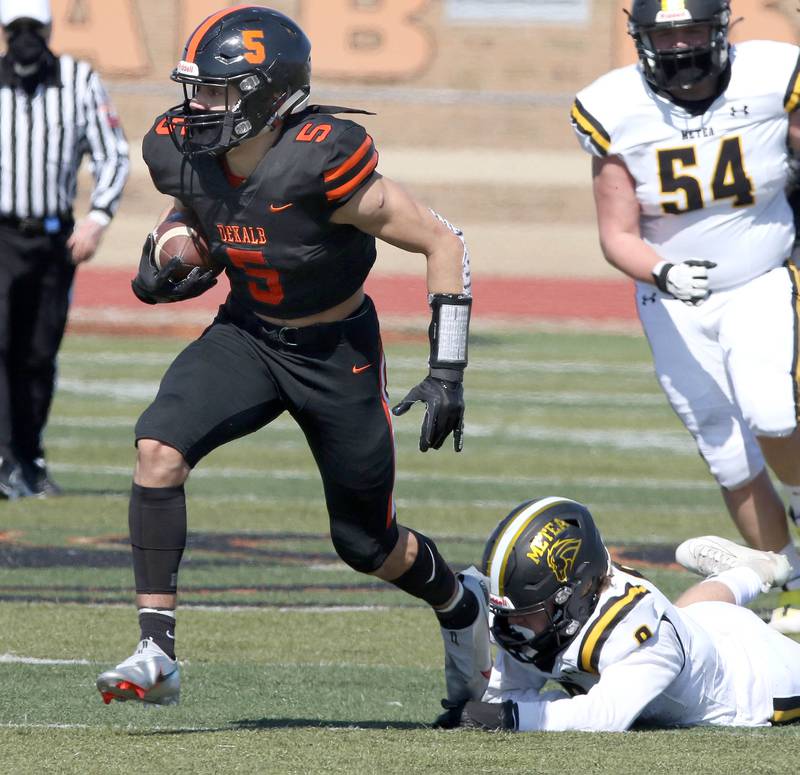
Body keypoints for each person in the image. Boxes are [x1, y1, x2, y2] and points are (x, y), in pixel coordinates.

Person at [95, 5, 489, 708]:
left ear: (267, 97)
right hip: (247, 334)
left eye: (219, 91)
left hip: (335, 352)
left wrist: (447, 367)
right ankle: (158, 649)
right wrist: (169, 248)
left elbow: (442, 240)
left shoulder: (320, 160)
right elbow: (199, 209)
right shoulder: (178, 148)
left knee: (366, 544)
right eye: (198, 89)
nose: (199, 106)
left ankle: (461, 605)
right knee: (157, 448)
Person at [569, 0, 800, 633]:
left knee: (773, 411)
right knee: (726, 453)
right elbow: (616, 232)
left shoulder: (771, 74)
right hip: (671, 301)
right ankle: (794, 580)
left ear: (723, 29)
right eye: (666, 36)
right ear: (640, 39)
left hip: (760, 278)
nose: (681, 49)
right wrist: (661, 270)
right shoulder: (615, 107)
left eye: (694, 30)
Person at [436, 497, 800, 731]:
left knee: (690, 619)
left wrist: (510, 718)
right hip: (702, 630)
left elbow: (606, 716)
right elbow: (501, 695)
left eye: (525, 613)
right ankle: (754, 570)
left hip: (761, 681)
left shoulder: (641, 630)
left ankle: (755, 572)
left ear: (574, 592)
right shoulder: (548, 612)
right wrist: (491, 706)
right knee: (695, 614)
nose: (511, 627)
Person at [0, 0, 129, 498]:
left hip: (55, 237)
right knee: (2, 346)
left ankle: (29, 457)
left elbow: (112, 153)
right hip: (2, 235)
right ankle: (7, 459)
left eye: (34, 27)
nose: (26, 36)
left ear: (50, 29)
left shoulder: (79, 80)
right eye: (17, 28)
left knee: (39, 352)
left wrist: (98, 218)